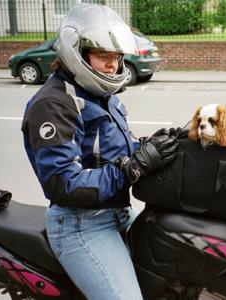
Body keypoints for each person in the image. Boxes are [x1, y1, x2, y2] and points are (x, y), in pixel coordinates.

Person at [21, 4, 178, 299]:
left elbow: (116, 150)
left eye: (117, 57)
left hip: (119, 213)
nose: (112, 65)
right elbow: (63, 183)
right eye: (103, 56)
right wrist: (132, 168)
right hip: (81, 226)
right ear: (76, 52)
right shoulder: (54, 105)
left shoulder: (103, 96)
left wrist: (152, 147)